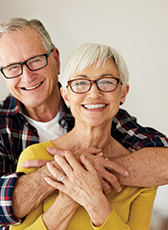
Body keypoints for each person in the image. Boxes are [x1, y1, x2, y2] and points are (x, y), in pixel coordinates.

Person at [0, 17, 168, 230]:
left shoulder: (98, 110)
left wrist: (86, 168)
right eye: (12, 68)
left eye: (35, 60)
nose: (27, 76)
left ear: (55, 59)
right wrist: (65, 172)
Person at [11, 42, 158, 230]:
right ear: (66, 96)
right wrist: (69, 197)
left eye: (106, 82)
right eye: (80, 83)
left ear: (123, 93)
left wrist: (94, 201)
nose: (94, 93)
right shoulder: (34, 158)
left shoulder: (143, 176)